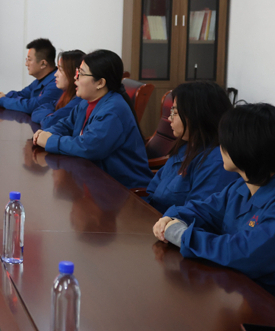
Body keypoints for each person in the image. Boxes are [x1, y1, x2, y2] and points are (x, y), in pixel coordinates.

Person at [154, 103, 275, 295]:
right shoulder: (241, 186)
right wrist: (171, 217)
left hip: (264, 301)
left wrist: (183, 236)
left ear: (247, 147)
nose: (220, 148)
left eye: (225, 142)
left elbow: (241, 252)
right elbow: (202, 210)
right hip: (236, 290)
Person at [33, 49, 152, 189]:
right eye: (77, 72)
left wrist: (50, 141)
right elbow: (66, 125)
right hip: (97, 181)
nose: (75, 78)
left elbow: (88, 147)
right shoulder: (86, 102)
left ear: (100, 82)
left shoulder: (113, 110)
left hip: (124, 190)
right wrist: (47, 133)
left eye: (81, 74)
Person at [145, 82, 239, 214]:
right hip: (154, 217)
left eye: (175, 112)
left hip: (175, 224)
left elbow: (199, 212)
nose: (170, 118)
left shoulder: (218, 161)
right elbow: (153, 190)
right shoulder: (184, 146)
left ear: (197, 116)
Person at [0, 38, 62, 114]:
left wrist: (1, 100)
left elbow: (32, 106)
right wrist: (3, 96)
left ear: (43, 63)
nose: (26, 64)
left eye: (29, 60)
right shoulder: (39, 81)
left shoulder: (56, 84)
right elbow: (22, 94)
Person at [31, 50, 86, 129]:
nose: (55, 74)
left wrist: (50, 116)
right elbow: (36, 111)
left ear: (74, 73)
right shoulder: (66, 95)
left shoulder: (79, 100)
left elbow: (49, 123)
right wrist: (50, 115)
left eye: (60, 70)